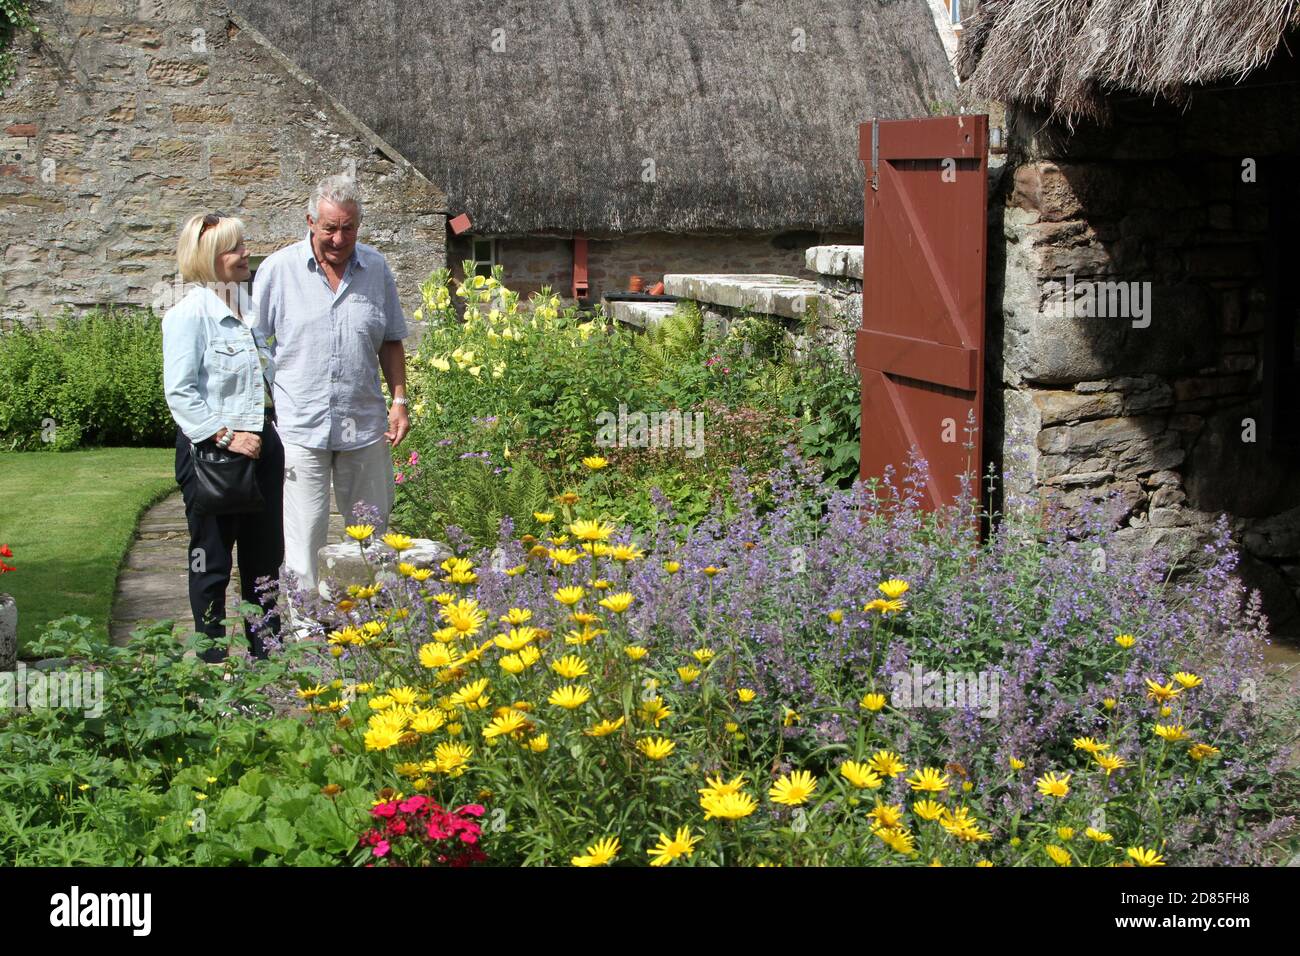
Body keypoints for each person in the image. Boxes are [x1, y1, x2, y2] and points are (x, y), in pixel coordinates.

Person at [252, 174, 409, 596]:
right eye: (330, 228)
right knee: (305, 538)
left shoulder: (375, 269)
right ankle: (308, 635)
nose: (339, 238)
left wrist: (399, 401)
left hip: (364, 424)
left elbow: (391, 339)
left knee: (370, 533)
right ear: (310, 222)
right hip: (303, 427)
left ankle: (368, 626)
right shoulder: (278, 270)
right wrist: (276, 391)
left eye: (349, 228)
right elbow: (255, 341)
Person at [162, 213, 284, 662]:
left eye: (242, 244)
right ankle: (213, 659)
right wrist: (226, 435)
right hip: (215, 456)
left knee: (265, 561)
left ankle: (267, 653)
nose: (244, 254)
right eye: (234, 248)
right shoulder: (189, 315)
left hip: (262, 449)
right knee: (211, 561)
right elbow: (180, 391)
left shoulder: (249, 314)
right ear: (209, 259)